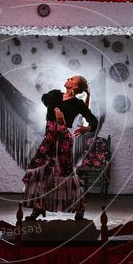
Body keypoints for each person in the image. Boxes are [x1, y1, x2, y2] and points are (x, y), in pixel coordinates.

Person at [22, 74, 98, 221]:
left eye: (72, 79)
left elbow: (93, 121)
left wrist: (87, 129)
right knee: (40, 172)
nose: (68, 78)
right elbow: (45, 98)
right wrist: (57, 109)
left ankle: (80, 206)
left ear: (75, 86)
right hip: (49, 139)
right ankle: (38, 207)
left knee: (65, 174)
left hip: (63, 140)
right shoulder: (56, 94)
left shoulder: (78, 103)